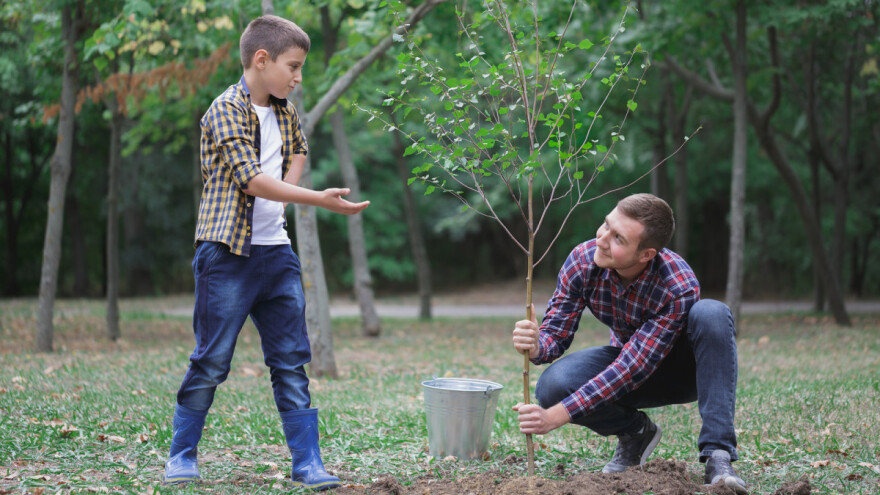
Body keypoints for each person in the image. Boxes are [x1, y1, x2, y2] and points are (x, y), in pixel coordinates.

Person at [163, 15, 368, 491]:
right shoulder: (223, 110)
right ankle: (181, 454)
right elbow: (252, 180)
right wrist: (313, 199)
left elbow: (298, 150)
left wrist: (286, 192)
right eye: (293, 67)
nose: (298, 78)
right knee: (211, 361)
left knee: (291, 361)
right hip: (227, 254)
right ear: (261, 59)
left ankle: (308, 464)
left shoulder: (285, 110)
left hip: (277, 255)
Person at [512, 193, 747, 494]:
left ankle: (718, 456)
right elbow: (555, 335)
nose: (601, 239)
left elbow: (631, 368)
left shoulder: (677, 285)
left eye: (618, 239)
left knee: (711, 312)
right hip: (630, 365)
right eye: (606, 225)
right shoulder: (584, 261)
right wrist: (535, 345)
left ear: (646, 254)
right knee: (552, 386)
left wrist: (554, 417)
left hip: (685, 373)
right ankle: (636, 433)